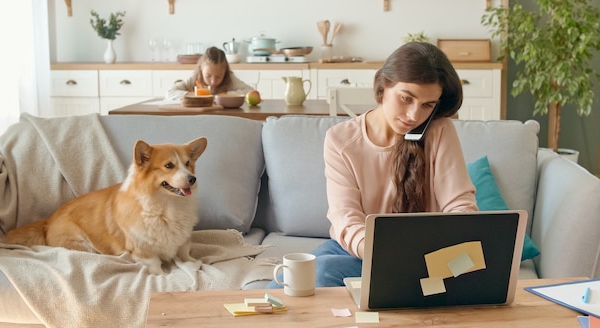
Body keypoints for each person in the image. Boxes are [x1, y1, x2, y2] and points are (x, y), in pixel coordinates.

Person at [267, 41, 478, 289]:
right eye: (406, 98)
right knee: (284, 283)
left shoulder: (440, 131)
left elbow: (461, 208)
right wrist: (390, 256)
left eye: (427, 105)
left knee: (323, 272)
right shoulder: (341, 139)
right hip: (361, 247)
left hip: (426, 254)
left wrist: (432, 256)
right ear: (383, 86)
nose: (413, 115)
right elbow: (346, 219)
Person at [165, 46, 253, 100]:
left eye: (219, 76)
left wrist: (225, 95)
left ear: (225, 72)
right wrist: (194, 95)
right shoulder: (194, 79)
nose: (213, 81)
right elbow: (170, 93)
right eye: (208, 76)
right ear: (201, 70)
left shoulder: (230, 79)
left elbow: (250, 91)